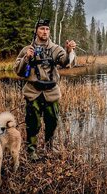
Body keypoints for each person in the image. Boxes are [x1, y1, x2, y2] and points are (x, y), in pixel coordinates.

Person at [14, 19, 76, 160]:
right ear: (36, 30)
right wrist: (26, 58)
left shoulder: (55, 49)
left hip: (51, 93)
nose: (45, 32)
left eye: (47, 29)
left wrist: (69, 51)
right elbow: (17, 70)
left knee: (52, 121)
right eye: (42, 29)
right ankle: (31, 150)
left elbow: (66, 62)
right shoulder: (27, 49)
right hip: (33, 91)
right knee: (32, 123)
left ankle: (49, 147)